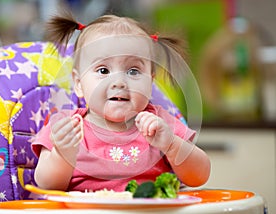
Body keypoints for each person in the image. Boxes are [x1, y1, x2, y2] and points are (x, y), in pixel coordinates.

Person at [32, 11, 211, 192]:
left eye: (133, 71)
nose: (118, 82)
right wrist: (63, 154)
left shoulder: (160, 124)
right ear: (78, 84)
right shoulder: (67, 127)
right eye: (103, 70)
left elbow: (199, 176)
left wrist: (171, 144)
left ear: (150, 82)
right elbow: (47, 185)